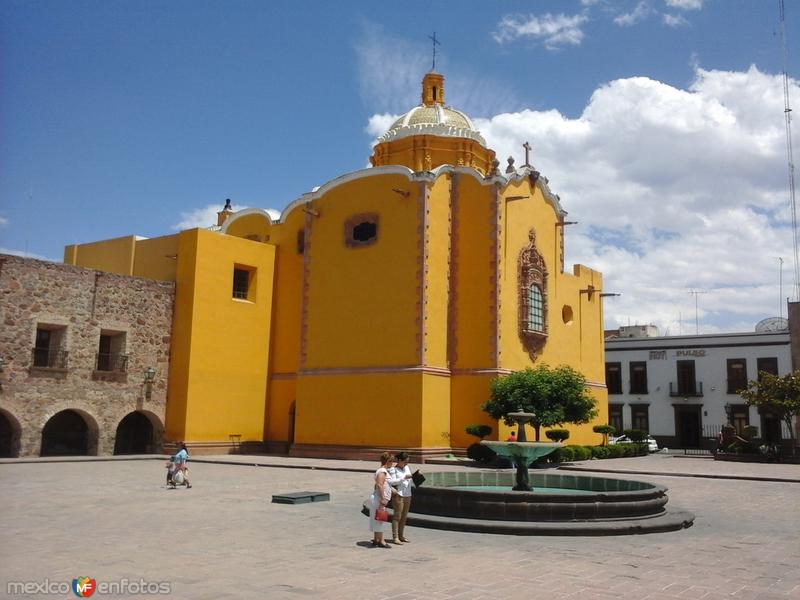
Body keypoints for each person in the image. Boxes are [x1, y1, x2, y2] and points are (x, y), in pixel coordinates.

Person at [369, 452, 395, 548]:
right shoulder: (382, 471)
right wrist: (383, 498)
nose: (393, 463)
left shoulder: (382, 470)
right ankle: (382, 541)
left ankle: (376, 539)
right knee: (380, 519)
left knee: (377, 518)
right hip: (379, 498)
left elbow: (382, 484)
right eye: (392, 461)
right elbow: (379, 484)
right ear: (388, 461)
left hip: (377, 497)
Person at [387, 452, 414, 544]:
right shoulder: (393, 470)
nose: (406, 464)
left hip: (408, 494)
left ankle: (401, 535)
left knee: (404, 516)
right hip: (399, 494)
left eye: (407, 462)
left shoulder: (406, 468)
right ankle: (395, 537)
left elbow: (410, 478)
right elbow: (392, 482)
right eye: (405, 462)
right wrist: (404, 478)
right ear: (399, 461)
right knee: (397, 516)